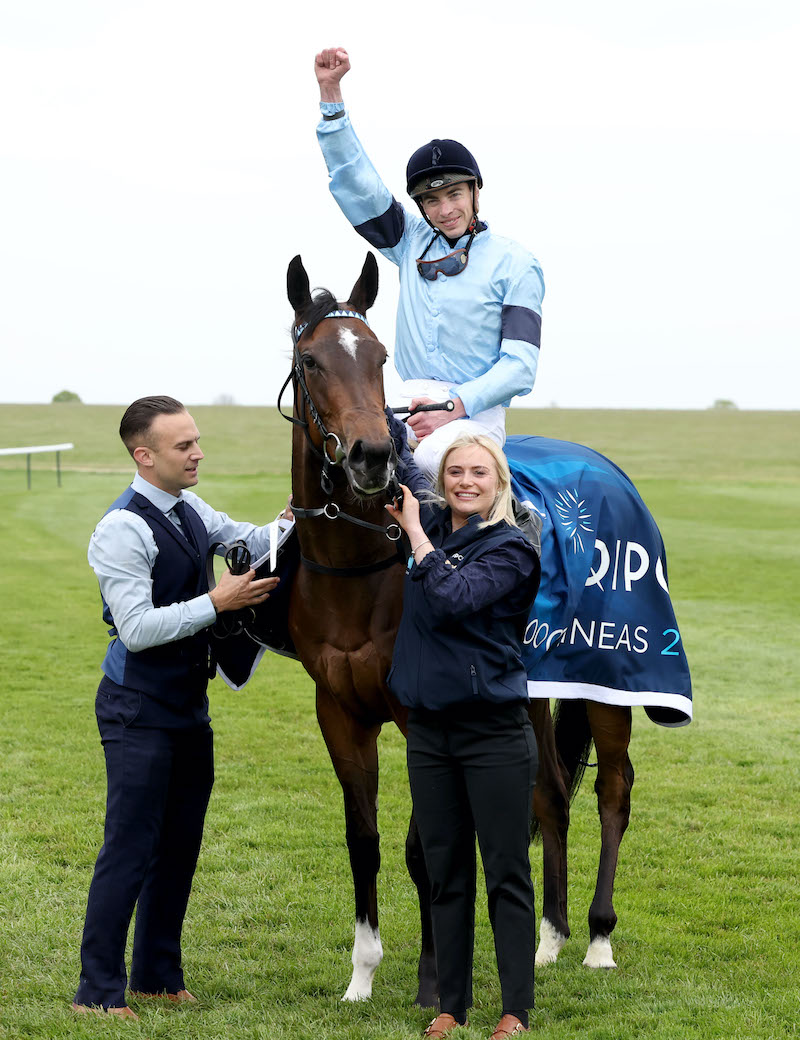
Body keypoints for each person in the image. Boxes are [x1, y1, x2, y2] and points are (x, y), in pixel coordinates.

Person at [72, 395, 280, 1019]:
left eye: (196, 440)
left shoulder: (189, 505)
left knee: (180, 845)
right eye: (183, 446)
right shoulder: (121, 528)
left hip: (190, 707)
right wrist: (219, 601)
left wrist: (300, 519)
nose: (198, 452)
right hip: (137, 709)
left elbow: (246, 537)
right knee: (130, 847)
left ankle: (157, 977)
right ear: (145, 456)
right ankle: (97, 993)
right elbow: (135, 628)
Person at [314, 46, 545, 481]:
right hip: (401, 402)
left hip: (474, 415)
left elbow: (520, 366)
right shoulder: (409, 242)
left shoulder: (517, 263)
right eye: (432, 200)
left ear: (476, 191)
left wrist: (454, 406)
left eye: (454, 194)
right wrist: (331, 98)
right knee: (330, 465)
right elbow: (356, 182)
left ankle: (508, 533)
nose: (445, 210)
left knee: (428, 463)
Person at [385, 434, 541, 1040]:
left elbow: (453, 598)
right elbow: (382, 477)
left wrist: (418, 539)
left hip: (493, 735)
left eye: (479, 472)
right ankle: (452, 1004)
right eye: (454, 472)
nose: (465, 482)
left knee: (505, 873)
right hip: (429, 734)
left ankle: (516, 1010)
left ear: (499, 481)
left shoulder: (511, 551)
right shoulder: (434, 531)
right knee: (445, 873)